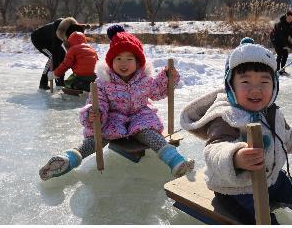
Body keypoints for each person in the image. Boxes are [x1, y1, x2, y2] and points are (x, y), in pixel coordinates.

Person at [180, 38, 292, 224]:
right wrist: (236, 157)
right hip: (235, 190)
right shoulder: (225, 116)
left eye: (264, 81)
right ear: (231, 86)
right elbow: (214, 151)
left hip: (271, 178)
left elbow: (288, 137)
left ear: (274, 85)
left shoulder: (271, 112)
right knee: (260, 219)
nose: (256, 89)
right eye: (245, 81)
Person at [39, 30, 194, 180]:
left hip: (140, 116)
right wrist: (95, 113)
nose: (123, 63)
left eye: (129, 59)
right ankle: (68, 159)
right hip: (113, 118)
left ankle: (176, 161)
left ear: (138, 62)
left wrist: (167, 78)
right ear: (111, 62)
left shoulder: (144, 79)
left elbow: (157, 92)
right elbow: (97, 101)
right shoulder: (103, 82)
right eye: (118, 59)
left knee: (150, 134)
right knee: (96, 138)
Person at [31, 17, 89, 90]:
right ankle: (43, 82)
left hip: (49, 39)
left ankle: (60, 80)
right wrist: (56, 75)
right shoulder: (58, 32)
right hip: (38, 39)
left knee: (63, 55)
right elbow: (55, 55)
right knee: (52, 57)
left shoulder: (71, 27)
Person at [269, 10, 292, 75]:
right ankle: (277, 70)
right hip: (275, 39)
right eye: (290, 18)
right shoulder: (279, 23)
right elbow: (281, 36)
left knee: (285, 54)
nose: (291, 20)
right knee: (280, 54)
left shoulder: (290, 24)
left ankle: (282, 70)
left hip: (283, 40)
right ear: (286, 16)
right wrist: (287, 45)